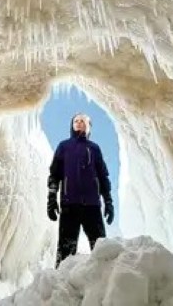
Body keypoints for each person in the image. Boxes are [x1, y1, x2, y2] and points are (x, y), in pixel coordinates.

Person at [46, 112, 114, 268]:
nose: (78, 123)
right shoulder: (63, 147)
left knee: (100, 248)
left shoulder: (95, 148)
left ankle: (104, 284)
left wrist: (108, 201)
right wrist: (51, 199)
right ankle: (60, 287)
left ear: (89, 126)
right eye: (76, 121)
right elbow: (54, 175)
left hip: (92, 206)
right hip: (70, 205)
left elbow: (103, 176)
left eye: (82, 121)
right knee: (65, 251)